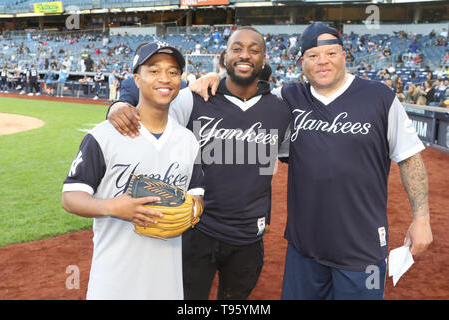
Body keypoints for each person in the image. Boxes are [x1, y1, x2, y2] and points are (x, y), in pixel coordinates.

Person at [189, 22, 433, 300]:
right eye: (314, 55)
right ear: (301, 61)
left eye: (331, 53)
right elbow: (243, 91)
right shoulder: (287, 98)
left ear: (344, 55)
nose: (323, 62)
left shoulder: (380, 97)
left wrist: (422, 218)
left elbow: (409, 158)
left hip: (361, 248)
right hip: (304, 249)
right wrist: (213, 78)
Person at [106, 28, 292, 300]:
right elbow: (150, 86)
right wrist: (119, 104)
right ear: (223, 56)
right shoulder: (194, 98)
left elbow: (286, 155)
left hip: (249, 235)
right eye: (237, 48)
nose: (245, 55)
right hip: (196, 227)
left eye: (254, 50)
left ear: (264, 60)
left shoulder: (280, 109)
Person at [61, 41, 204, 300]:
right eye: (154, 70)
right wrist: (113, 208)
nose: (165, 78)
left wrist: (193, 210)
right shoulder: (103, 136)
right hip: (113, 283)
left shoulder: (188, 141)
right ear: (136, 79)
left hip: (167, 284)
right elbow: (70, 197)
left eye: (173, 72)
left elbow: (197, 195)